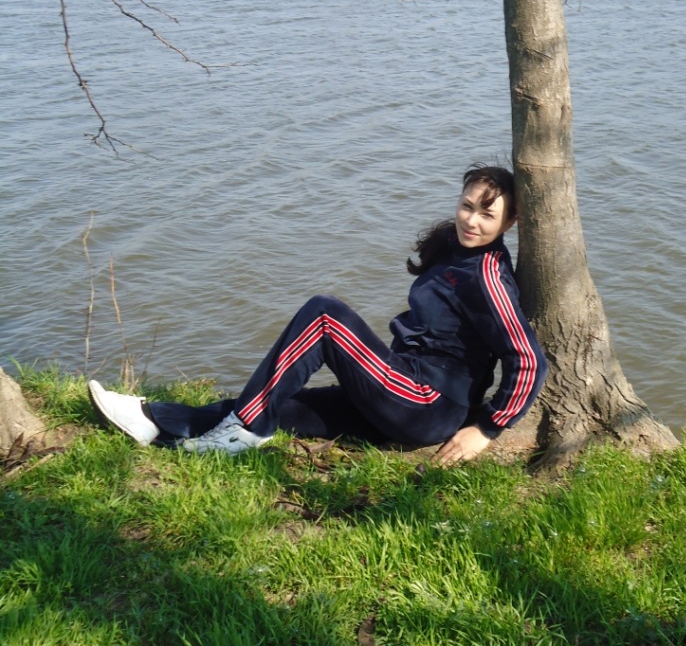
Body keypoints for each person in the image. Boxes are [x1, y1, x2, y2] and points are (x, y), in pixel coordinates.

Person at [89, 164, 547, 464]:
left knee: (325, 315)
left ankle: (242, 430)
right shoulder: (455, 249)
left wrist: (486, 428)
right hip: (402, 386)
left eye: (487, 215)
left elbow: (529, 361)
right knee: (285, 405)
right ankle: (154, 422)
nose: (471, 221)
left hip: (427, 405)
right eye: (467, 206)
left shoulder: (487, 275)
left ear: (510, 223)